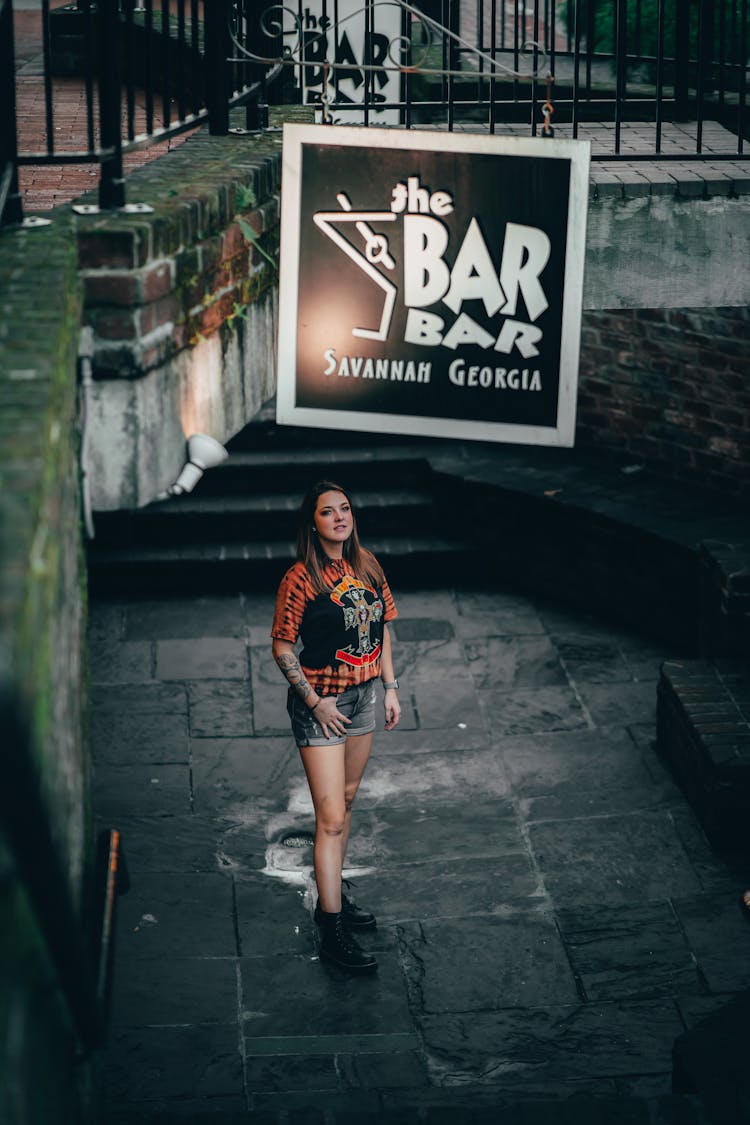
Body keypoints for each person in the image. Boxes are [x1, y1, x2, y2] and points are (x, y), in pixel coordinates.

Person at [271, 480, 401, 974]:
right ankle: (331, 930)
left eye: (345, 509)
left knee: (345, 804)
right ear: (313, 523)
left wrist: (390, 688)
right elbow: (282, 647)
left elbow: (382, 629)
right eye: (328, 512)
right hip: (321, 705)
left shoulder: (367, 564)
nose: (340, 518)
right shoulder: (301, 579)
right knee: (329, 819)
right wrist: (313, 702)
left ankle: (335, 896)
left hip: (365, 696)